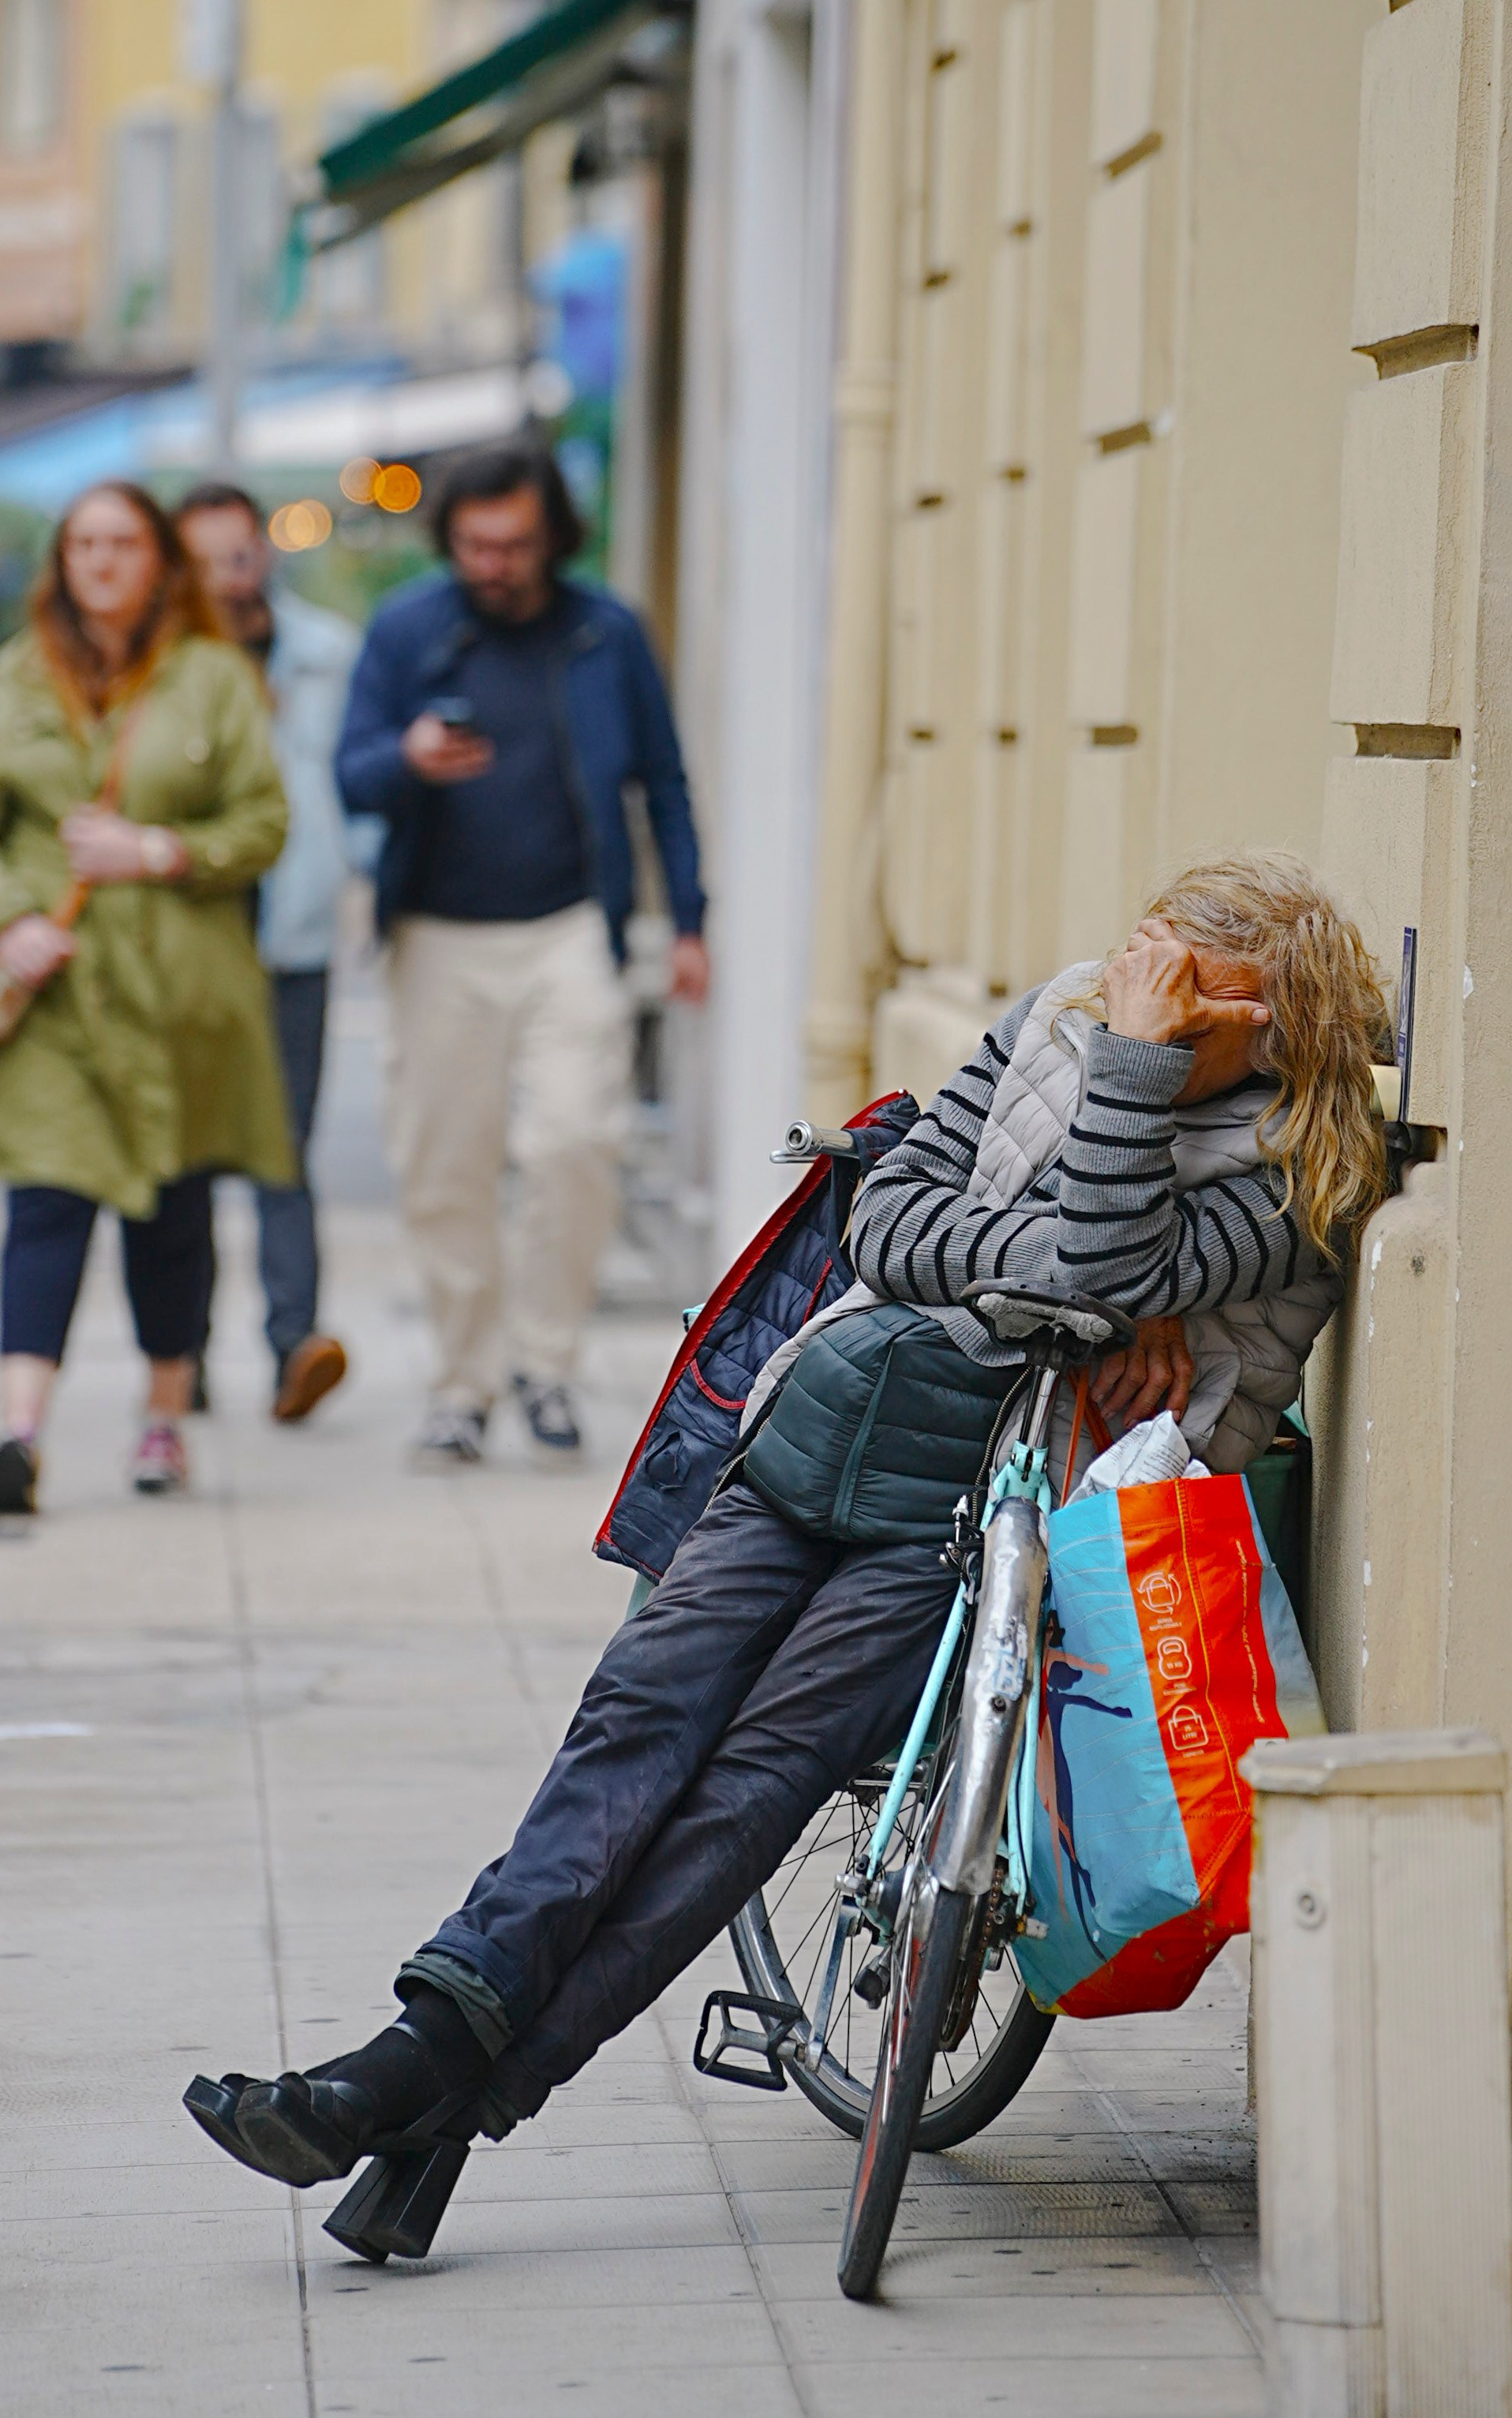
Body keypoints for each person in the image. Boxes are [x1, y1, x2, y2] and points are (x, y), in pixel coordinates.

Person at [184, 853, 1389, 2252]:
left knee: (745, 1788)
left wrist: (1123, 1094)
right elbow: (891, 1209)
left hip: (975, 1503)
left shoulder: (1294, 1173)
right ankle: (423, 2076)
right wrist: (1062, 1259)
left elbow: (1100, 1270)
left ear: (1274, 1028)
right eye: (1139, 968)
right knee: (630, 1721)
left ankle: (400, 2081)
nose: (1136, 1001)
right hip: (828, 1420)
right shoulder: (1053, 1015)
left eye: (1183, 999)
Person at [0, 481, 294, 1518]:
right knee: (44, 1201)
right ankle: (19, 1433)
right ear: (61, 561)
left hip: (178, 995)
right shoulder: (14, 679)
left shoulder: (213, 678)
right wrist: (11, 915)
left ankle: (162, 1419)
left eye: (123, 542)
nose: (102, 561)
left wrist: (160, 849)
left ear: (161, 560)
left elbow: (264, 822)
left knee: (171, 1211)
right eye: (82, 543)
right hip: (56, 997)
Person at [335, 436, 708, 1467]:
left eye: (513, 544)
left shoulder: (605, 633)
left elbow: (663, 782)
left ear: (552, 537)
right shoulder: (410, 627)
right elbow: (349, 774)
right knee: (443, 1167)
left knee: (577, 1143)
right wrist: (406, 758)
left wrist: (688, 919)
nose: (492, 563)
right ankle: (464, 1383)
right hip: (436, 937)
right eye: (473, 544)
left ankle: (546, 1363)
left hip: (566, 931)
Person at [176, 482, 359, 1424]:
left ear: (265, 554)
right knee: (189, 1158)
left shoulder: (327, 654)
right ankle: (184, 1357)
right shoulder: (164, 665)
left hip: (291, 938)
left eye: (238, 554)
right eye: (203, 560)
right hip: (190, 943)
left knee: (283, 1151)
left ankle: (296, 1347)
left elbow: (355, 782)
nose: (227, 577)